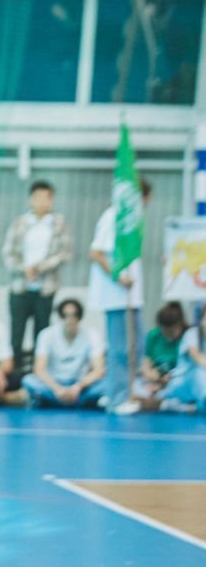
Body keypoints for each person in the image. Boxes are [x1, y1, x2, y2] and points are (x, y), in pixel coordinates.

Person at [88, 178, 151, 415]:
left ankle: (121, 389)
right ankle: (117, 398)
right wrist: (118, 276)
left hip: (132, 296)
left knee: (137, 346)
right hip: (115, 295)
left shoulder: (133, 221)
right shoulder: (112, 216)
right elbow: (96, 252)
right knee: (120, 349)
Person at [2, 180, 72, 375]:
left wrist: (41, 267)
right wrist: (24, 268)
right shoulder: (20, 223)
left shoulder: (59, 224)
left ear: (52, 200)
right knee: (16, 333)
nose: (42, 202)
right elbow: (8, 253)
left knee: (41, 333)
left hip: (45, 288)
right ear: (31, 199)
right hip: (20, 286)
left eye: (46, 197)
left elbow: (65, 253)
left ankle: (38, 374)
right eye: (38, 197)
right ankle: (14, 376)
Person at [22, 299, 107, 409]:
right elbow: (39, 370)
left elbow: (99, 370)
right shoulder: (46, 334)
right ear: (60, 317)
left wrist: (78, 387)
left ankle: (56, 401)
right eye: (65, 315)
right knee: (28, 380)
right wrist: (57, 389)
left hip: (80, 385)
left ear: (80, 317)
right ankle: (78, 402)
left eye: (74, 315)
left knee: (109, 382)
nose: (69, 320)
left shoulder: (92, 335)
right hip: (54, 384)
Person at [134, 300, 188, 411]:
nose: (167, 335)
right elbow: (145, 366)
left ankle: (162, 402)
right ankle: (163, 403)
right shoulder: (153, 335)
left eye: (171, 332)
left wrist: (168, 380)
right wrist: (154, 377)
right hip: (155, 381)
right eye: (164, 331)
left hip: (176, 381)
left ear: (179, 325)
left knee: (179, 387)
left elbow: (187, 369)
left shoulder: (188, 336)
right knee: (134, 388)